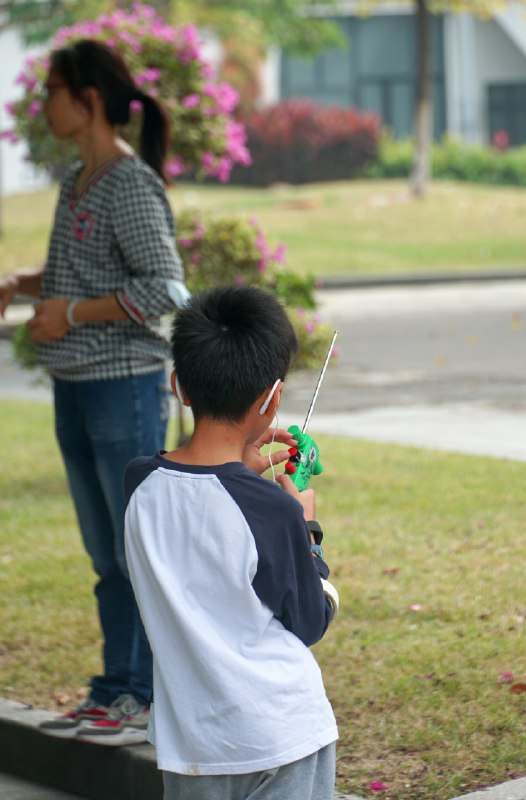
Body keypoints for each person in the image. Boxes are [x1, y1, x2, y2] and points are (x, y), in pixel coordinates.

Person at [0, 39, 189, 744]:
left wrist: (72, 313)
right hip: (76, 389)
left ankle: (141, 697)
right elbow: (80, 269)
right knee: (106, 554)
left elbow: (167, 289)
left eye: (51, 90)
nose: (40, 103)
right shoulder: (78, 179)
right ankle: (113, 691)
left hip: (125, 389)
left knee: (134, 548)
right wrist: (23, 285)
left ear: (87, 100)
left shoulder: (129, 183)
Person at [123, 285, 340, 799]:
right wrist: (306, 529)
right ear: (273, 397)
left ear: (180, 385)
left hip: (192, 747)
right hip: (281, 736)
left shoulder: (138, 483)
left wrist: (238, 469)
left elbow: (198, 508)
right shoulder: (273, 510)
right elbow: (310, 621)